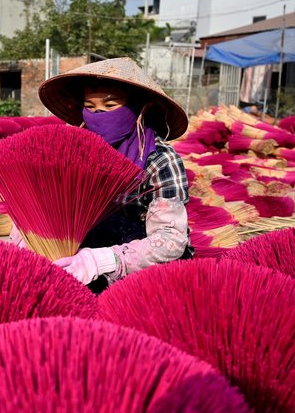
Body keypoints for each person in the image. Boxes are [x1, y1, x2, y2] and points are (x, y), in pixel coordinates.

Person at [13, 57, 192, 293]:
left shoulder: (159, 160)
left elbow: (170, 240)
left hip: (141, 263)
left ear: (139, 108)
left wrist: (102, 261)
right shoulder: (73, 152)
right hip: (82, 249)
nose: (100, 115)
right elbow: (42, 208)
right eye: (90, 107)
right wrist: (32, 239)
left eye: (110, 106)